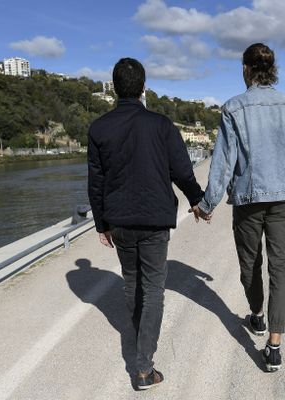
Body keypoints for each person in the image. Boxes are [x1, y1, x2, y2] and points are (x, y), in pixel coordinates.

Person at [191, 43, 285, 372]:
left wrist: (207, 203)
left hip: (248, 200)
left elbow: (223, 164)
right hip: (284, 198)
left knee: (250, 265)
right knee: (281, 268)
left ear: (245, 69)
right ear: (272, 70)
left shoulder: (232, 109)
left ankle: (257, 316)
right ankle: (274, 345)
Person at [88, 58, 204, 390]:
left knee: (131, 283)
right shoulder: (161, 124)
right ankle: (143, 367)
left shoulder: (99, 128)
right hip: (154, 219)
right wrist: (197, 201)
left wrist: (101, 224)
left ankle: (141, 345)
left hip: (119, 219)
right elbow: (181, 169)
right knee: (153, 289)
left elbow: (95, 182)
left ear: (113, 87)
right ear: (143, 86)